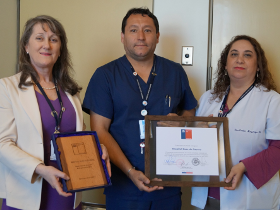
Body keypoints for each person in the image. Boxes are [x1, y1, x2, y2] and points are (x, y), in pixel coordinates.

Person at [82, 7, 197, 210]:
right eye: (133, 30)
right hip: (123, 186)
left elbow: (189, 113)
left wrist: (181, 122)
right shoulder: (105, 76)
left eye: (148, 30)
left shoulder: (175, 72)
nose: (141, 36)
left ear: (158, 36)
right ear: (122, 36)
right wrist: (129, 171)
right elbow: (99, 130)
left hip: (167, 187)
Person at [0, 15, 111, 210]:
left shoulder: (70, 92)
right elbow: (2, 144)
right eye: (39, 38)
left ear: (60, 50)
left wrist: (97, 148)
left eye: (53, 39)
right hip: (28, 191)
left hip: (68, 190)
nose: (47, 45)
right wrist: (41, 169)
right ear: (26, 46)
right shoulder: (7, 88)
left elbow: (78, 137)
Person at [191, 35, 280, 210]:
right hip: (207, 198)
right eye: (234, 54)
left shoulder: (272, 101)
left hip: (249, 199)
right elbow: (192, 143)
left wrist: (244, 166)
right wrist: (195, 131)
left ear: (258, 66)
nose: (239, 59)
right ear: (225, 64)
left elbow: (278, 149)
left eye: (247, 55)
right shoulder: (208, 98)